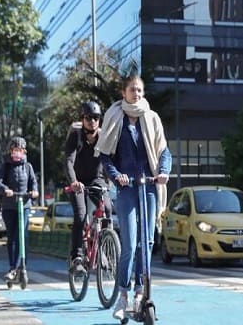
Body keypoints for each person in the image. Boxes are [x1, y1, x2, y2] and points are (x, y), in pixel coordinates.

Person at [95, 74, 172, 321]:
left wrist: (164, 172)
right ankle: (123, 294)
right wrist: (117, 175)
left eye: (139, 90)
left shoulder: (151, 118)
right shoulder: (114, 117)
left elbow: (164, 151)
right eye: (132, 90)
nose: (136, 94)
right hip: (126, 188)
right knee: (129, 243)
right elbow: (105, 156)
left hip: (149, 186)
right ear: (123, 92)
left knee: (147, 242)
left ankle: (142, 289)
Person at [65, 100, 112, 273]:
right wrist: (73, 181)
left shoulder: (103, 137)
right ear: (82, 119)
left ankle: (103, 249)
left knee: (107, 210)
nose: (92, 121)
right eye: (88, 117)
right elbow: (69, 161)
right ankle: (77, 256)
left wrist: (117, 178)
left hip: (96, 180)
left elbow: (111, 160)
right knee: (81, 215)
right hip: (78, 182)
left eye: (96, 117)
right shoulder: (75, 135)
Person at [0, 136, 39, 281]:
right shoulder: (5, 166)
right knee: (12, 237)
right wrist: (5, 190)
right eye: (14, 150)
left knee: (23, 235)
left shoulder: (28, 167)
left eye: (19, 150)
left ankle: (22, 265)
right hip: (9, 206)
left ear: (24, 151)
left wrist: (34, 192)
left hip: (24, 205)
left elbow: (33, 183)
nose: (17, 153)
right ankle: (12, 266)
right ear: (11, 151)